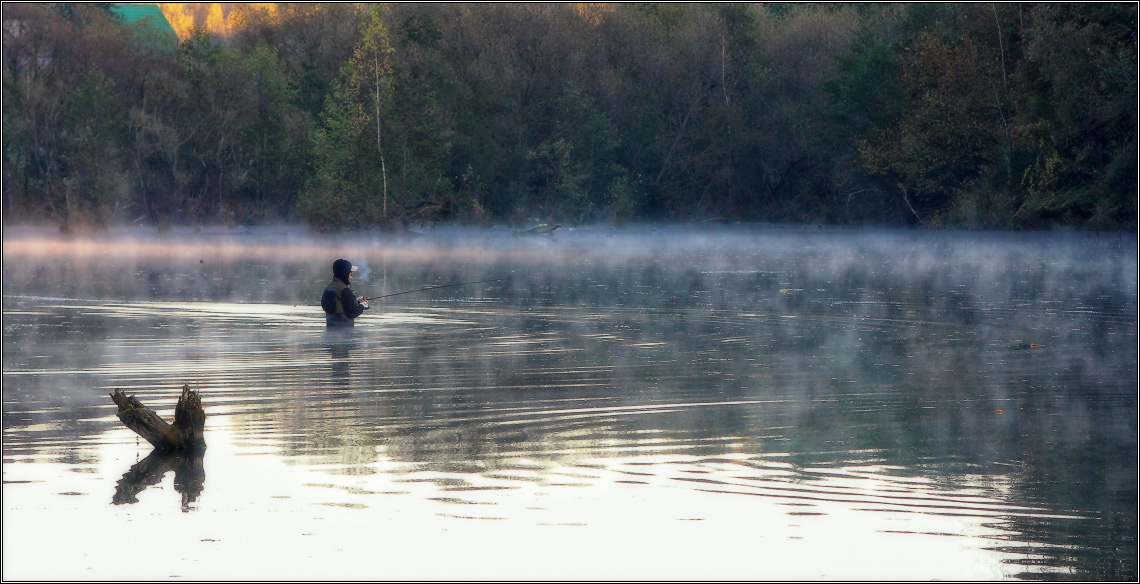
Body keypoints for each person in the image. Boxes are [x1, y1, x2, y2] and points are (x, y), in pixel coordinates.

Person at [321, 258, 369, 327]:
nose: (351, 273)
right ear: (345, 273)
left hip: (330, 328)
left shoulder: (329, 288)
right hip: (344, 330)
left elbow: (339, 305)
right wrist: (362, 306)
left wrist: (355, 301)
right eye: (350, 271)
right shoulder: (344, 290)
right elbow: (352, 313)